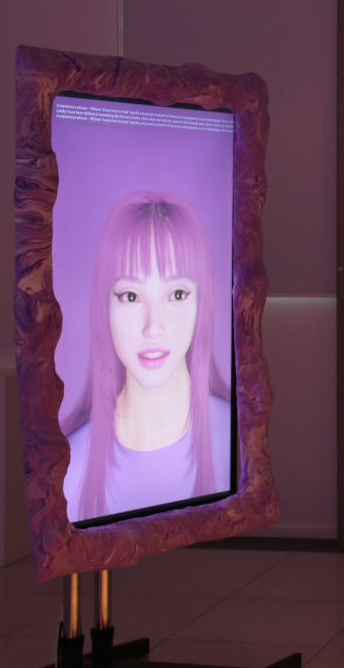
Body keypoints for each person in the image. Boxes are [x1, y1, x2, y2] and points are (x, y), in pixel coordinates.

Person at [61, 192, 231, 524]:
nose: (153, 327)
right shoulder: (68, 470)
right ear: (104, 308)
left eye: (177, 294)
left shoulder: (239, 443)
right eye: (131, 296)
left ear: (203, 302)